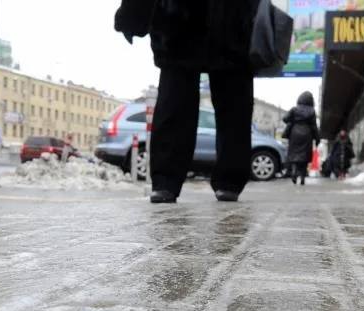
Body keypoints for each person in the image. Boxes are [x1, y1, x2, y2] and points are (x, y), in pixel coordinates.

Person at [115, 0, 259, 204]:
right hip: (230, 24)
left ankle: (167, 181)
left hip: (180, 22)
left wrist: (132, 17)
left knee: (176, 102)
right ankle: (229, 180)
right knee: (232, 105)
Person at [283, 92, 321, 185]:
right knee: (304, 157)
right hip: (307, 134)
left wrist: (293, 120)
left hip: (294, 134)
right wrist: (317, 139)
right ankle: (303, 178)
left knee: (294, 154)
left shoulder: (294, 109)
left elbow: (285, 119)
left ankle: (294, 172)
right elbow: (314, 126)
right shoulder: (312, 111)